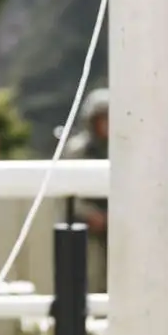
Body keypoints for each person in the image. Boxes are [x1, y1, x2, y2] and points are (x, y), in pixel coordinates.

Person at [61, 87, 109, 292]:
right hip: (84, 224)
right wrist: (90, 214)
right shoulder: (77, 150)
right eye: (103, 118)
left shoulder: (125, 149)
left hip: (117, 222)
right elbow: (68, 190)